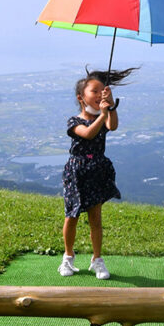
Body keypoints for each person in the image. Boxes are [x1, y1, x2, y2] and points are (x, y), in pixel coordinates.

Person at [59, 67, 136, 279]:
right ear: (81, 98)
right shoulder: (74, 122)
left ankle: (97, 259)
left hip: (97, 170)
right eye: (94, 91)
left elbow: (113, 126)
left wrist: (110, 107)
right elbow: (88, 134)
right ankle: (67, 257)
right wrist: (102, 115)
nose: (99, 94)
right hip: (77, 172)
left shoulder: (103, 116)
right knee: (72, 216)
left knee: (96, 217)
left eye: (103, 91)